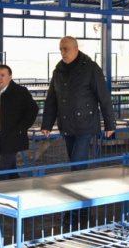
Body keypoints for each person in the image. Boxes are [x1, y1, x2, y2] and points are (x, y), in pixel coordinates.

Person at [41, 36, 116, 171]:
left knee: (77, 162)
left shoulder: (91, 68)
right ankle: (79, 181)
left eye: (66, 49)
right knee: (73, 160)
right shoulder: (58, 71)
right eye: (61, 49)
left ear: (76, 49)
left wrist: (110, 124)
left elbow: (104, 97)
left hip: (85, 124)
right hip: (67, 123)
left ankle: (77, 182)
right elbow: (52, 99)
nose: (63, 53)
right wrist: (47, 124)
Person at [0, 65, 39, 181]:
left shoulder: (20, 92)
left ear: (10, 77)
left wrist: (21, 127)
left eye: (3, 75)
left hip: (12, 137)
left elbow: (33, 110)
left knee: (3, 170)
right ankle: (16, 188)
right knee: (11, 170)